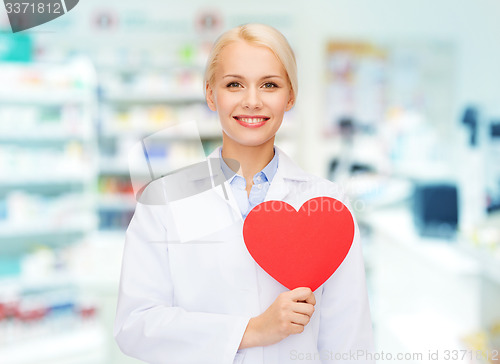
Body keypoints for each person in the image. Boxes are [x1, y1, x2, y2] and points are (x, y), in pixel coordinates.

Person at [114, 23, 375, 364]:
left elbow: (349, 342)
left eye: (270, 85)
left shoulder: (327, 205)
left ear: (290, 96)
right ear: (211, 95)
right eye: (234, 84)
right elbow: (136, 325)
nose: (252, 101)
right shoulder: (164, 202)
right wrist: (252, 330)